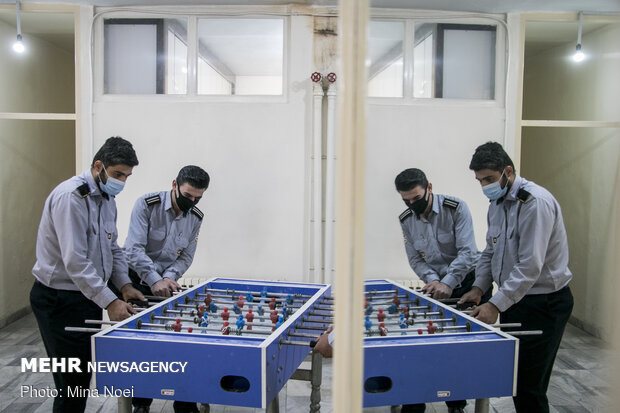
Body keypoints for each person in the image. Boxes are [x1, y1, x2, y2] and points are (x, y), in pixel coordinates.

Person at [30, 136, 145, 413]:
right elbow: (75, 262)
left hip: (85, 297)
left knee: (81, 375)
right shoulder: (72, 197)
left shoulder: (107, 200)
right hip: (59, 299)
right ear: (98, 166)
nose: (122, 181)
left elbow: (114, 250)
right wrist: (111, 302)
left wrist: (125, 285)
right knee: (72, 384)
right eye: (118, 174)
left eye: (127, 176)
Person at [459, 141, 573, 413]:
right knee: (516, 383)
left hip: (544, 303)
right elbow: (489, 252)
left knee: (530, 389)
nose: (484, 185)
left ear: (507, 171)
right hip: (515, 301)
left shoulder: (535, 202)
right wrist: (478, 288)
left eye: (488, 178)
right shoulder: (496, 204)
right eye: (479, 180)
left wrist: (495, 304)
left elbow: (530, 266)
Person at [395, 168, 490, 413]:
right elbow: (415, 259)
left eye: (416, 198)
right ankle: (414, 402)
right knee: (423, 347)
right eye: (406, 200)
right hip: (436, 287)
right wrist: (434, 281)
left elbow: (468, 252)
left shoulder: (456, 208)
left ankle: (456, 403)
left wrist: (448, 282)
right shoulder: (406, 219)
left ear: (429, 187)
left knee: (459, 350)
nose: (412, 204)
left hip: (469, 284)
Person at [123, 165, 210, 413]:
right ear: (175, 185)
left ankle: (184, 402)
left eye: (197, 198)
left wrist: (169, 277)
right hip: (137, 281)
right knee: (141, 348)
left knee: (179, 344)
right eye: (187, 195)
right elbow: (133, 249)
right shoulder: (147, 205)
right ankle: (141, 403)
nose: (191, 202)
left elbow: (185, 257)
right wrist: (153, 279)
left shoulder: (195, 217)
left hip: (166, 284)